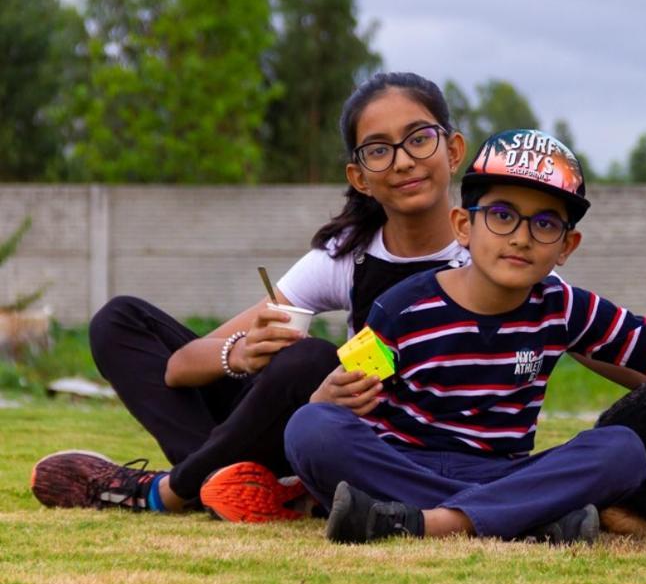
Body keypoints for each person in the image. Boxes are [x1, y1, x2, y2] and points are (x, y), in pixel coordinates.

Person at [283, 129, 646, 545]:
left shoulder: (564, 307)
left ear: (566, 247)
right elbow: (349, 400)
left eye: (544, 223)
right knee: (311, 428)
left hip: (502, 469)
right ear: (464, 226)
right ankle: (520, 517)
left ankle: (434, 524)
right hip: (403, 462)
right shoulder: (402, 307)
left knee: (622, 449)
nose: (521, 237)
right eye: (501, 214)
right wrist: (324, 398)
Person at [29, 73, 476, 520]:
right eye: (379, 149)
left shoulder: (487, 256)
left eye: (418, 139)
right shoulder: (349, 257)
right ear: (359, 177)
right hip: (291, 426)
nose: (402, 161)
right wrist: (239, 353)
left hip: (365, 446)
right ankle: (233, 485)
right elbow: (179, 366)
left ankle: (166, 491)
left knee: (313, 364)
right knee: (120, 321)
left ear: (453, 150)